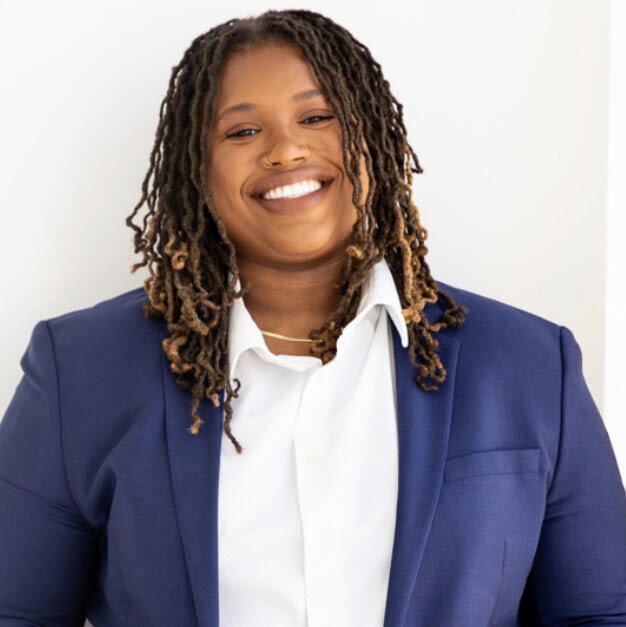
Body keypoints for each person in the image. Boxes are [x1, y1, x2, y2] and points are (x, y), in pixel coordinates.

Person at [0, 8, 624, 627]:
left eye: (317, 117)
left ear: (374, 137)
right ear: (195, 169)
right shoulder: (78, 369)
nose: (286, 150)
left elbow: (599, 613)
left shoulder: (530, 363)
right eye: (242, 132)